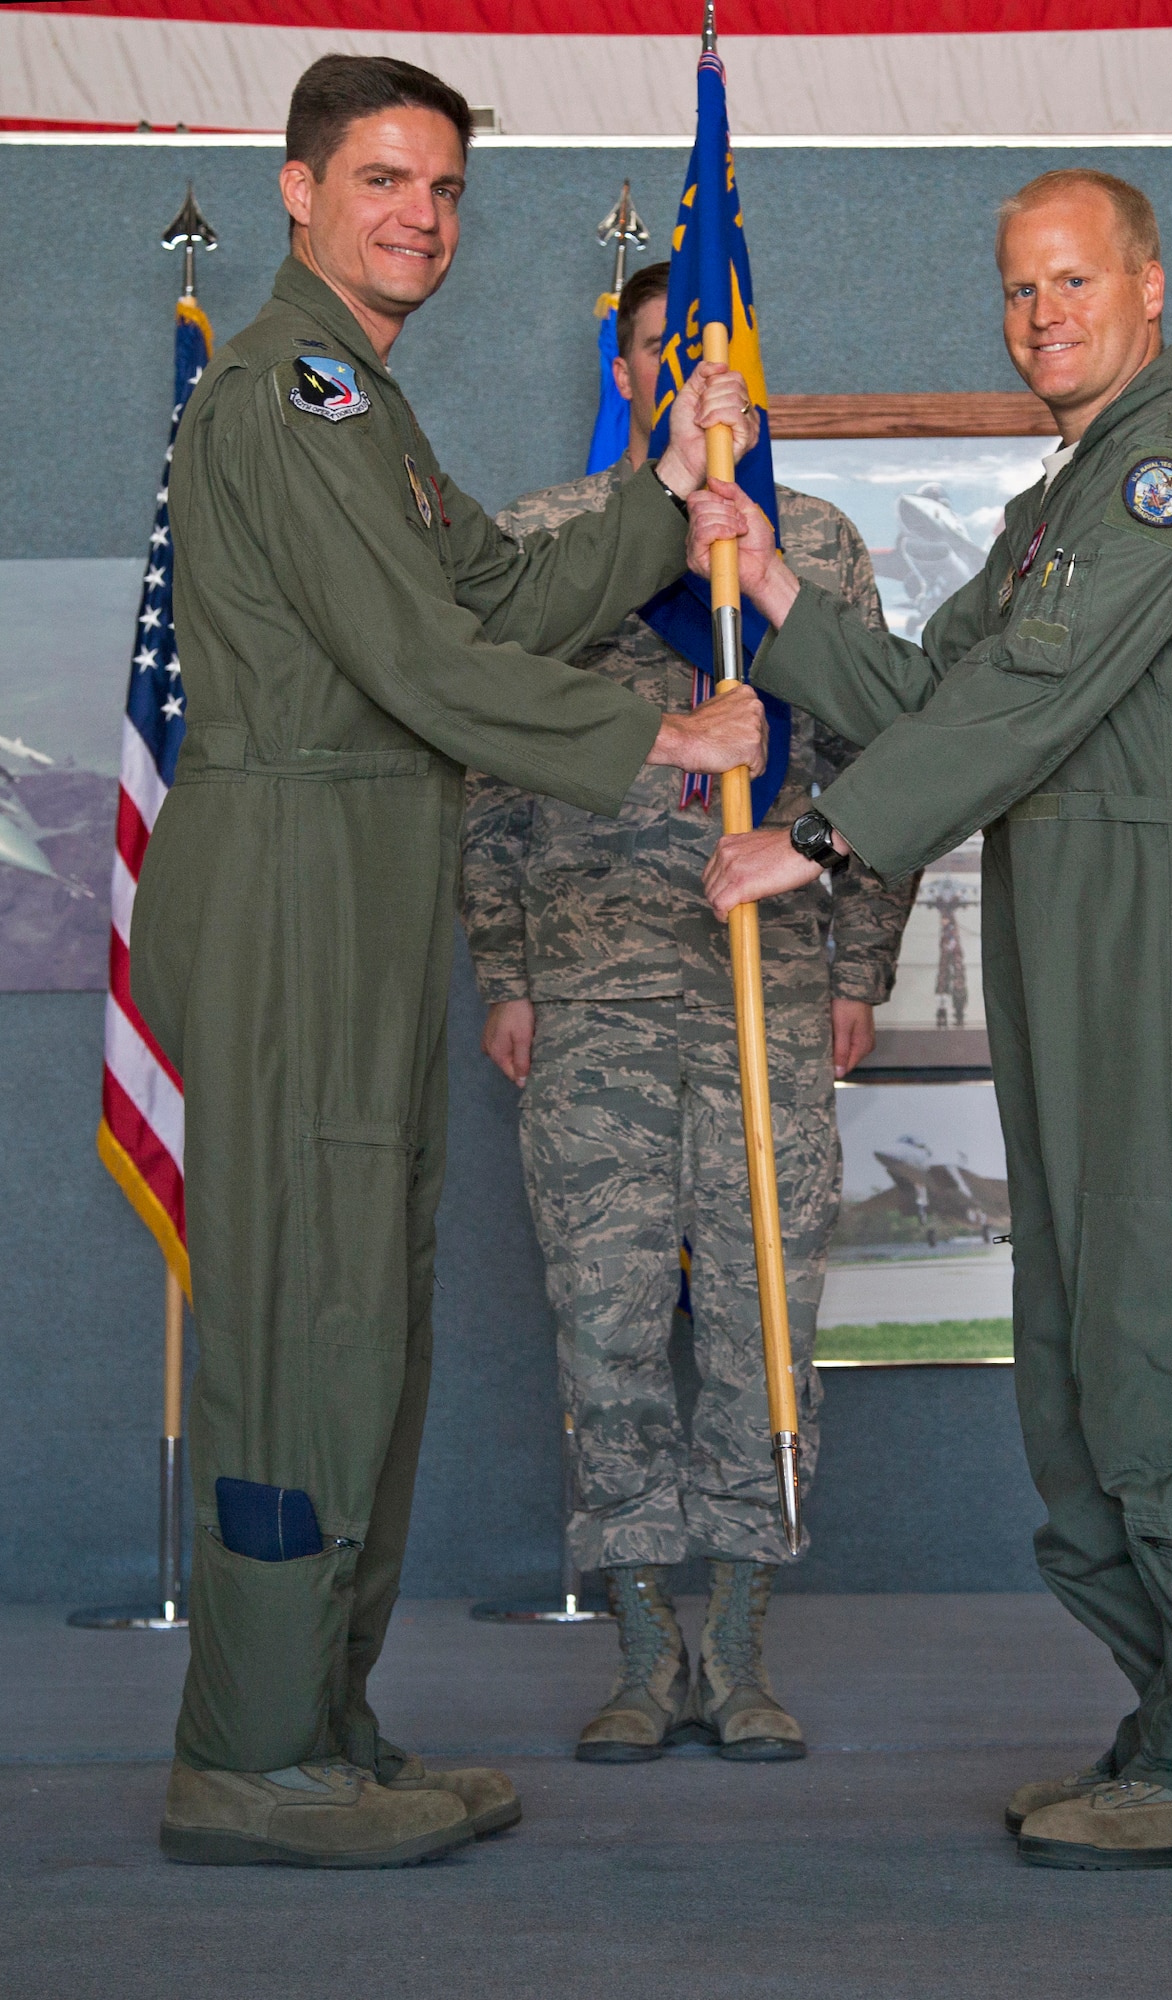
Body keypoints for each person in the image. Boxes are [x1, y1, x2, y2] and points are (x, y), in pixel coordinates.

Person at [131, 54, 763, 1870]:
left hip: (358, 869)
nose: (419, 214)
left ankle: (314, 1720)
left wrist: (655, 497)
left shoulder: (361, 405)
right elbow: (425, 656)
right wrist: (659, 740)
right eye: (384, 178)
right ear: (297, 189)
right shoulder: (289, 386)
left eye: (445, 188)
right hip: (291, 877)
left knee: (360, 1317)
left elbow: (483, 592)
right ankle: (250, 1760)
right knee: (300, 1322)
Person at [692, 169, 1172, 1870]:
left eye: (1071, 280)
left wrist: (814, 838)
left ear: (1148, 287)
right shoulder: (1066, 498)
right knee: (1082, 1350)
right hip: (1069, 920)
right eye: (1016, 289)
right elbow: (930, 691)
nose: (1042, 313)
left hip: (1168, 932)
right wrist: (760, 584)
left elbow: (1031, 697)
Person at [461, 260, 916, 1765]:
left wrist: (854, 970)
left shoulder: (818, 548)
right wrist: (507, 971)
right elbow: (481, 763)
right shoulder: (549, 542)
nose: (696, 377)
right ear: (631, 365)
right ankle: (643, 1650)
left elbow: (882, 766)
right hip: (589, 989)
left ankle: (742, 1648)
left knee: (758, 1320)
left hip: (766, 992)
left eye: (719, 352)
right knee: (600, 1322)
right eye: (666, 351)